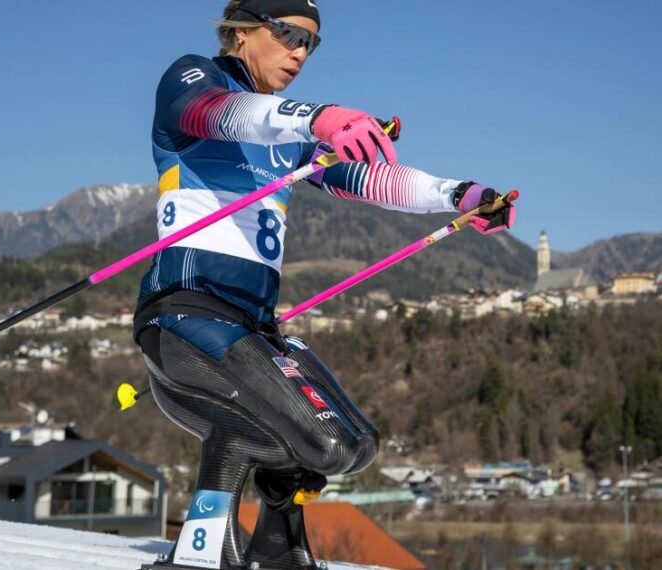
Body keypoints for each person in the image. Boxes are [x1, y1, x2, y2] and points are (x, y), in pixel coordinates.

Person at [135, 1, 516, 569]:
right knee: (308, 440)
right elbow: (222, 113)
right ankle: (202, 550)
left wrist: (457, 195)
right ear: (242, 30)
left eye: (311, 43)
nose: (298, 52)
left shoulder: (284, 132)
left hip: (253, 326)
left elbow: (366, 176)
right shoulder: (196, 80)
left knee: (350, 444)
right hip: (185, 315)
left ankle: (277, 546)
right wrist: (319, 116)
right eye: (287, 33)